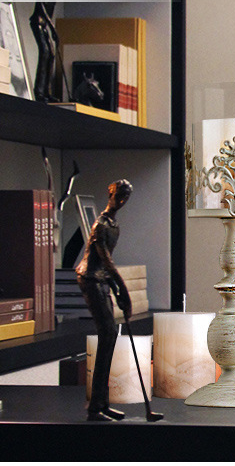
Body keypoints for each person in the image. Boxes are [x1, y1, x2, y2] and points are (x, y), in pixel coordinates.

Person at [76, 180, 134, 422]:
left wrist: (116, 290)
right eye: (119, 195)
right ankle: (95, 408)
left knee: (110, 337)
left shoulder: (114, 225)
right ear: (111, 193)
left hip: (101, 279)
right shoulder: (100, 225)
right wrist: (123, 291)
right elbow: (105, 261)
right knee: (108, 334)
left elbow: (106, 266)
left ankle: (102, 403)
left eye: (125, 197)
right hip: (90, 279)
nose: (121, 200)